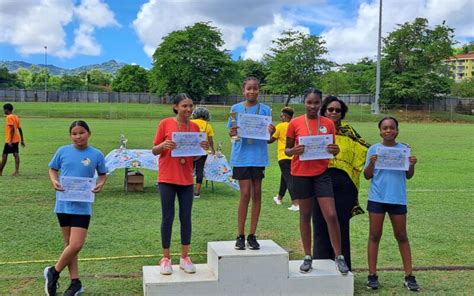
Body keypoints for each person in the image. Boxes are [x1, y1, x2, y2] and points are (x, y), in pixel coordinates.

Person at [285, 88, 349, 275]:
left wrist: (335, 149)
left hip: (321, 173)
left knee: (330, 214)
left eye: (316, 103)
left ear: (321, 104)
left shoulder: (328, 124)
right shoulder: (294, 123)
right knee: (305, 215)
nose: (312, 106)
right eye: (309, 102)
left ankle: (339, 256)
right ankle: (307, 256)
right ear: (304, 103)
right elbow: (287, 150)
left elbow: (333, 148)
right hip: (300, 173)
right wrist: (293, 151)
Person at [44, 120, 107, 296]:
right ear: (70, 135)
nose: (78, 136)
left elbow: (102, 174)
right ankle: (75, 282)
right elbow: (52, 169)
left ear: (89, 133)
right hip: (63, 204)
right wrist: (54, 180)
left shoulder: (96, 154)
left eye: (81, 132)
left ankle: (53, 271)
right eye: (74, 133)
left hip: (82, 206)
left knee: (76, 244)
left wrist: (100, 184)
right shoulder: (62, 151)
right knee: (69, 245)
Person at [152, 93, 209, 275]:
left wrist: (203, 148)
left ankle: (185, 257)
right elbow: (154, 150)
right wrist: (164, 146)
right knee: (167, 217)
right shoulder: (165, 123)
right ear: (176, 106)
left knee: (186, 218)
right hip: (167, 178)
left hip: (186, 179)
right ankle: (166, 258)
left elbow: (196, 156)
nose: (189, 110)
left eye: (191, 106)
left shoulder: (195, 127)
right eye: (185, 106)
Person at [312, 96, 369, 270]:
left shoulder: (349, 132)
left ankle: (344, 268)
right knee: (320, 225)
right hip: (319, 180)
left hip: (344, 184)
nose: (334, 112)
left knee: (341, 225)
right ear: (324, 111)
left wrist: (392, 150)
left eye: (338, 110)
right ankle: (321, 269)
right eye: (330, 109)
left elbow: (366, 149)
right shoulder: (314, 130)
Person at [364, 116, 420, 291]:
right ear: (380, 131)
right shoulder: (374, 149)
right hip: (377, 198)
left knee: (402, 236)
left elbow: (408, 175)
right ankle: (372, 275)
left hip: (397, 198)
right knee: (374, 236)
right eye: (385, 128)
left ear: (397, 130)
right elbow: (367, 175)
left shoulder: (404, 149)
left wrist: (412, 165)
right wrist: (372, 163)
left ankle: (409, 275)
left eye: (392, 128)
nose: (388, 131)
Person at [228, 76, 275, 250]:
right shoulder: (235, 109)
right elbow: (232, 135)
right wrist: (233, 132)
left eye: (255, 88)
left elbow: (269, 139)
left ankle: (252, 235)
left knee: (257, 194)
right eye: (249, 88)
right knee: (245, 194)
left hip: (258, 157)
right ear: (243, 90)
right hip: (241, 157)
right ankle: (240, 234)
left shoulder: (265, 110)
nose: (252, 91)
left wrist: (272, 132)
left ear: (259, 91)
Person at [268, 107, 299, 211]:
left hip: (283, 156)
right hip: (293, 156)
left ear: (285, 116)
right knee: (285, 177)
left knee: (289, 179)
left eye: (281, 116)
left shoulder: (280, 126)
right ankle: (279, 198)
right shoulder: (294, 125)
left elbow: (270, 140)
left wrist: (268, 133)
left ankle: (296, 203)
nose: (280, 117)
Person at [191, 106, 215, 198]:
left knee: (188, 170)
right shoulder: (207, 125)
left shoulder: (190, 122)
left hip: (190, 151)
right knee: (199, 170)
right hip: (202, 151)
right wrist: (212, 149)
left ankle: (186, 189)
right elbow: (210, 140)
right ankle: (197, 192)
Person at [0, 103, 25, 176]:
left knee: (4, 155)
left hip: (10, 140)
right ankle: (17, 172)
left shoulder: (9, 118)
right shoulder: (16, 117)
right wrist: (22, 140)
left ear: (7, 110)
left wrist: (10, 141)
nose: (3, 111)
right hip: (16, 139)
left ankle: (0, 172)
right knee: (16, 154)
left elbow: (12, 129)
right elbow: (19, 129)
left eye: (4, 109)